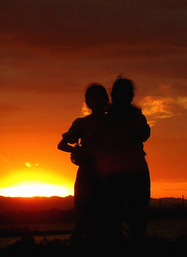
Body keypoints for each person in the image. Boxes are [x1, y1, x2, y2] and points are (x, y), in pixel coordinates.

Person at [101, 76, 151, 246]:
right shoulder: (106, 119)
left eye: (125, 93)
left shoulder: (136, 116)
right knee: (116, 219)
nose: (121, 97)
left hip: (133, 171)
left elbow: (144, 134)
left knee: (136, 217)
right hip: (116, 173)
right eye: (118, 93)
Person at [58, 83, 110, 245]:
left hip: (110, 174)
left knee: (108, 219)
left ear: (106, 99)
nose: (97, 99)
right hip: (87, 175)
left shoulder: (114, 121)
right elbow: (62, 144)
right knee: (82, 218)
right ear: (87, 102)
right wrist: (80, 153)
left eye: (100, 95)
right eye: (92, 96)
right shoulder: (82, 123)